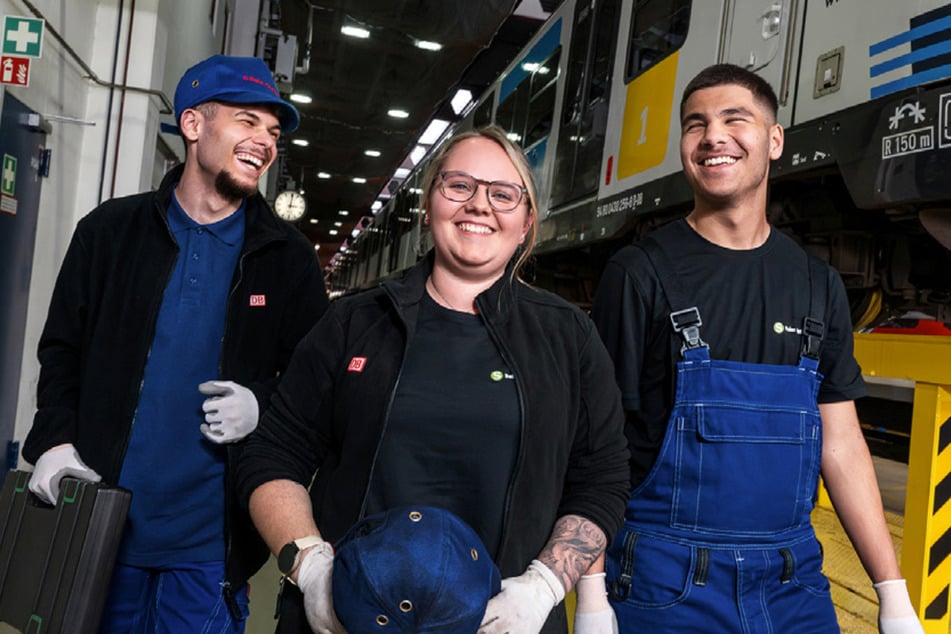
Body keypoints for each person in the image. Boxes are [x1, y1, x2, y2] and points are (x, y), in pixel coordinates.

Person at [235, 125, 630, 634]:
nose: (479, 205)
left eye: (503, 194)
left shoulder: (569, 336)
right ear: (430, 205)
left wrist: (546, 586)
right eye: (458, 185)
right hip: (350, 618)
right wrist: (309, 567)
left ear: (527, 220)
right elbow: (272, 455)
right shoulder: (354, 323)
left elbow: (601, 479)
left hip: (505, 624)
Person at [582, 63, 925, 633]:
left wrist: (893, 595)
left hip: (793, 584)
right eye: (696, 125)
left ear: (774, 139)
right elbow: (597, 442)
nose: (713, 135)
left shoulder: (818, 284)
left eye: (733, 119)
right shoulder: (639, 274)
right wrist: (590, 595)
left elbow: (840, 442)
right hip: (665, 580)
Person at [22, 54, 329, 633]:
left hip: (209, 549)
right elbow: (62, 352)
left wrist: (263, 404)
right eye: (246, 121)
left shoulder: (288, 260)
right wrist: (53, 441)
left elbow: (313, 386)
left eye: (272, 131)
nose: (264, 141)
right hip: (100, 528)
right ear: (193, 125)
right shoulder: (109, 233)